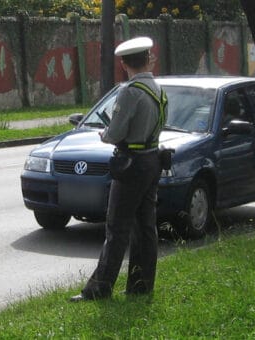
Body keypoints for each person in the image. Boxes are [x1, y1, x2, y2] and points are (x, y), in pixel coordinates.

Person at [70, 37, 164, 302]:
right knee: (146, 226)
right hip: (152, 159)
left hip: (130, 163)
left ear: (124, 64)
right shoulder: (157, 88)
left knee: (117, 228)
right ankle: (141, 284)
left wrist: (105, 133)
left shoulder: (129, 91)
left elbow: (116, 133)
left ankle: (99, 289)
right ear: (148, 59)